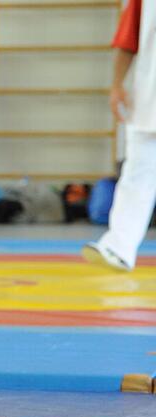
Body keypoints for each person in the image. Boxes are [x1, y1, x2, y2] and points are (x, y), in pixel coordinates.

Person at [82, 0, 155, 272]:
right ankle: (118, 247)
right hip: (148, 94)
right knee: (136, 173)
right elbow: (128, 37)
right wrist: (116, 85)